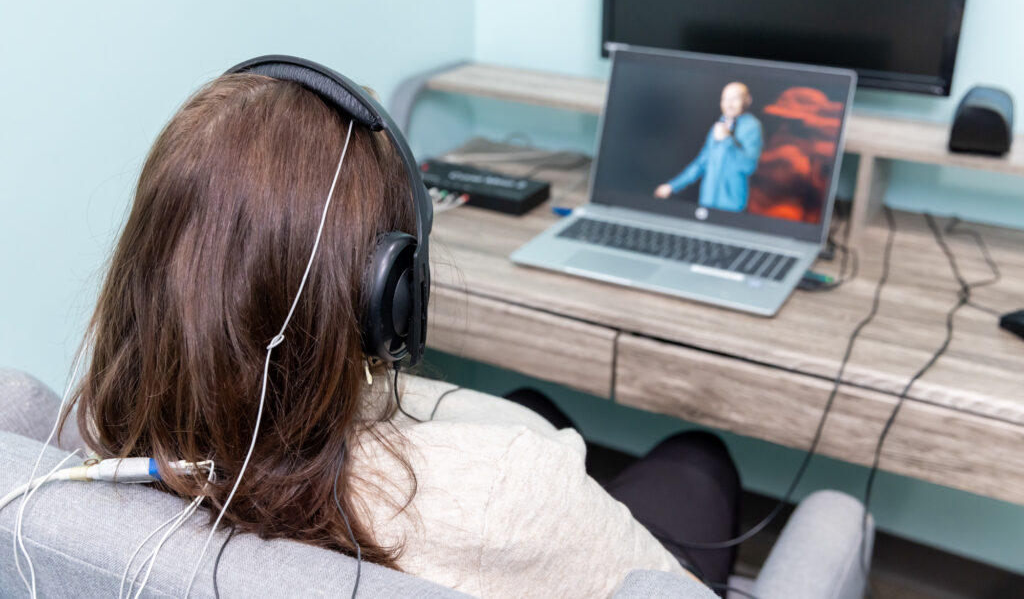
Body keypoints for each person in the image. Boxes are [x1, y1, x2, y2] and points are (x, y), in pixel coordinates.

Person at [59, 65, 740, 598]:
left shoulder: (107, 428)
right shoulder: (510, 491)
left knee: (535, 404)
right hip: (589, 543)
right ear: (389, 299)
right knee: (700, 456)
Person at [654, 82, 763, 212]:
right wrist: (672, 186)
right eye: (725, 99)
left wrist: (727, 140)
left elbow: (748, 166)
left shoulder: (752, 126)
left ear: (747, 100)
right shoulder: (718, 126)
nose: (728, 104)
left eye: (734, 99)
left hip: (731, 207)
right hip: (707, 203)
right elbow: (701, 163)